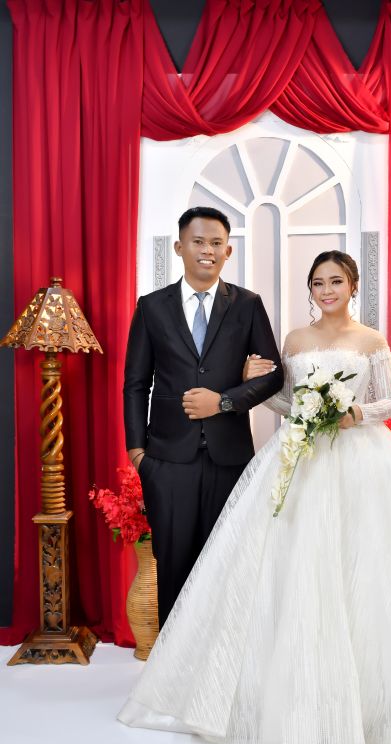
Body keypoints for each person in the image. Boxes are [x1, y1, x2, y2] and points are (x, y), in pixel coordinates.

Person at [119, 250, 391, 744]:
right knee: (293, 564)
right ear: (311, 290)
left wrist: (354, 411)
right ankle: (283, 691)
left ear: (353, 285)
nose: (327, 290)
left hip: (362, 459)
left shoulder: (371, 340)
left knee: (367, 566)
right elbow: (284, 400)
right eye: (318, 283)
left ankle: (376, 700)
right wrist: (264, 389)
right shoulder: (295, 340)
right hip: (300, 456)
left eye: (336, 281)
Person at [123, 206, 283, 628]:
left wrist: (224, 402)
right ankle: (173, 666)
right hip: (167, 461)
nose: (207, 250)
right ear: (180, 247)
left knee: (228, 567)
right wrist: (138, 453)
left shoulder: (247, 305)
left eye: (216, 243)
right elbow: (136, 384)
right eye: (198, 241)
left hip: (230, 458)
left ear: (228, 251)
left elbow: (274, 376)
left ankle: (222, 664)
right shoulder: (151, 307)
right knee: (174, 569)